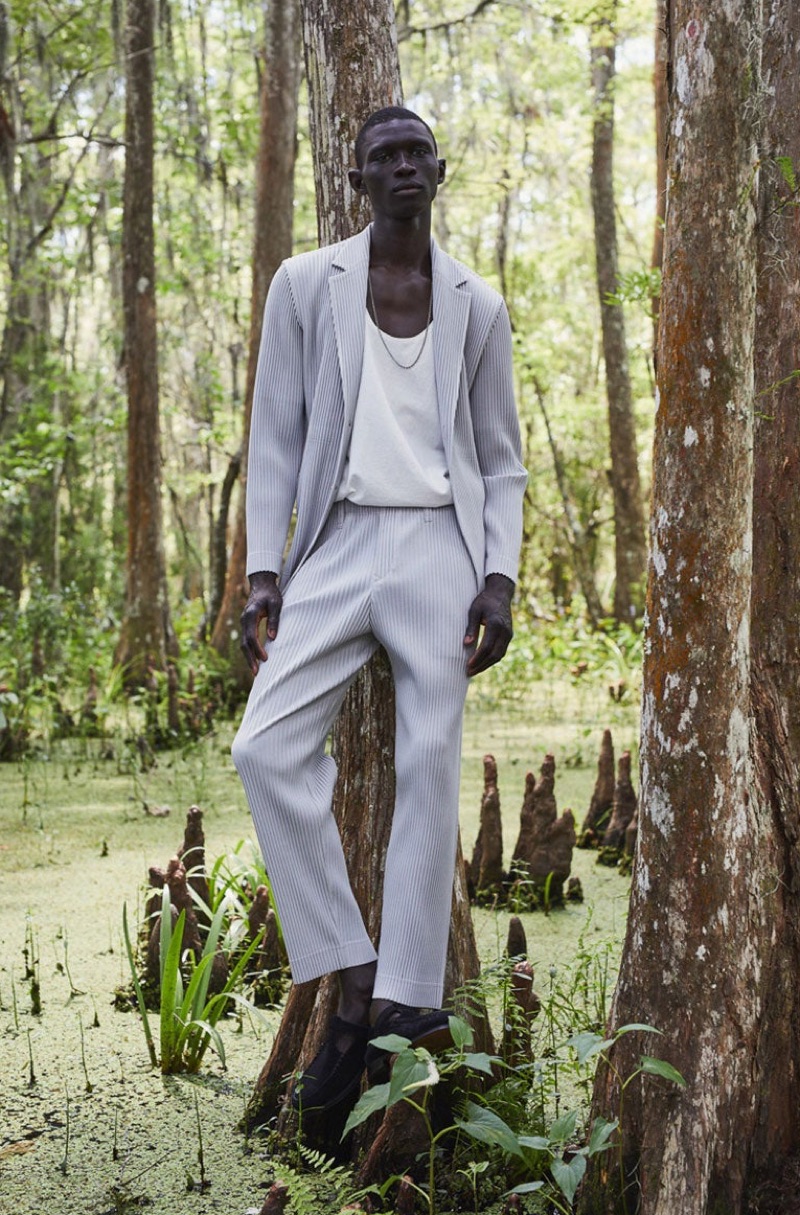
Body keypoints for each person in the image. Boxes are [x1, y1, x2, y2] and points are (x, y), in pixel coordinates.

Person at [231, 106, 527, 1113]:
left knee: (430, 761)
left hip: (439, 546)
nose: (402, 169)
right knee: (262, 748)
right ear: (357, 179)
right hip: (339, 542)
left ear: (437, 172)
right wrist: (259, 573)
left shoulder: (474, 304)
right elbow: (273, 432)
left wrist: (499, 578)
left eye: (415, 154)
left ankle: (404, 1003)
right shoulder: (305, 285)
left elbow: (500, 457)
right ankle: (347, 969)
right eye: (382, 158)